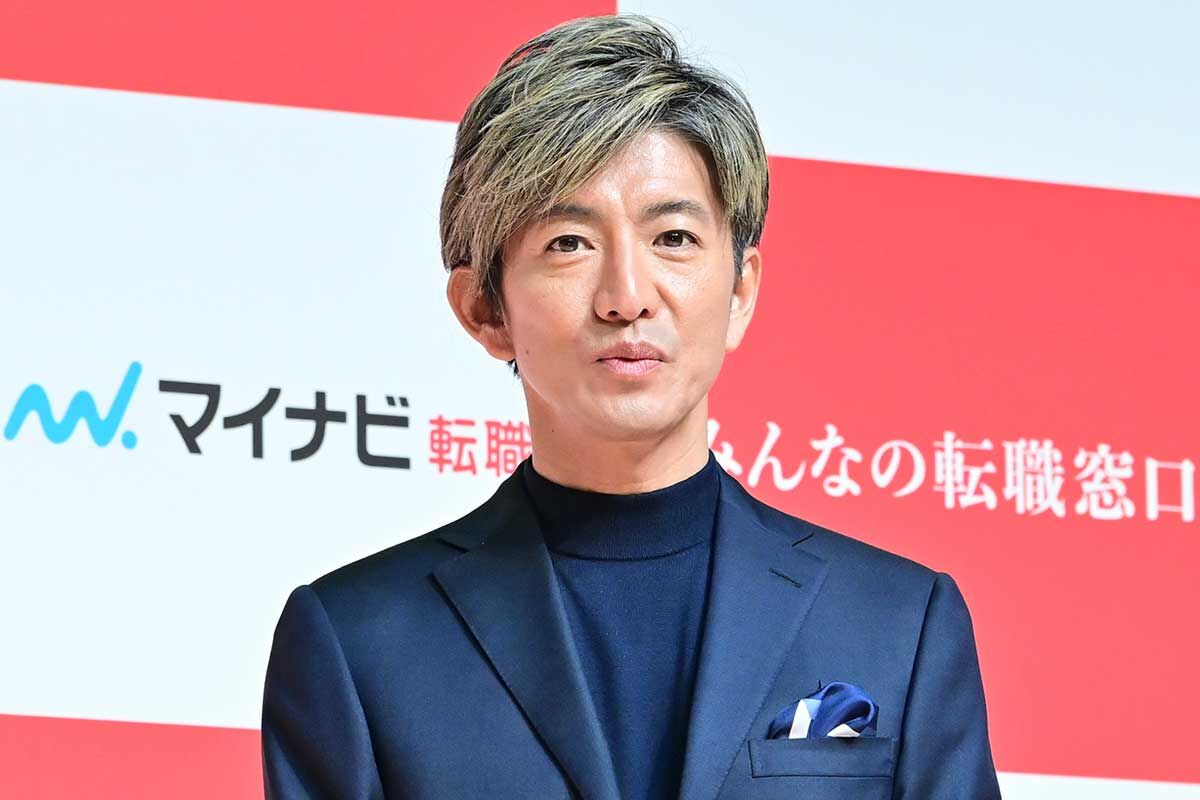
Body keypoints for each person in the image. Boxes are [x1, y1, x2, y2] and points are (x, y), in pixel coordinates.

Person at [261, 13, 1001, 800]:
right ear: (484, 309)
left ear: (741, 290)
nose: (626, 296)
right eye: (569, 243)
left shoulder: (899, 624)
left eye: (673, 238)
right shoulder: (359, 642)